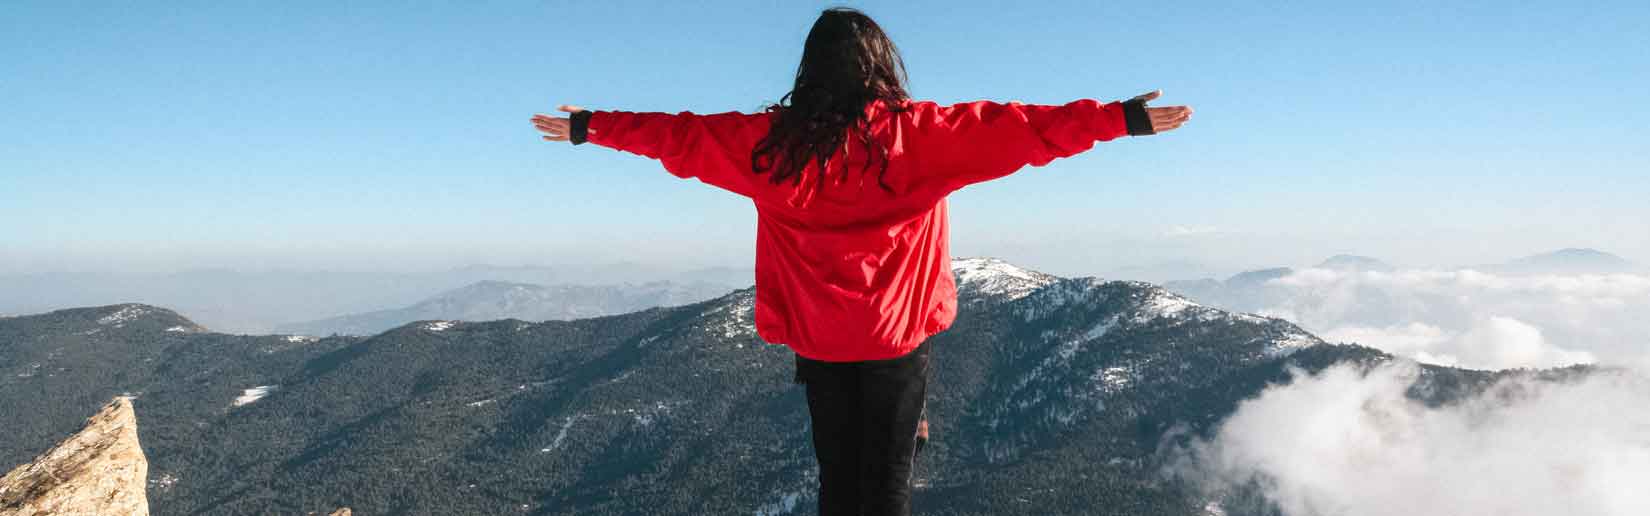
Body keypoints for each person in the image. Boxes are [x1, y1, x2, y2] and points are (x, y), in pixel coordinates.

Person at [531, 7, 1190, 516]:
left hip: (819, 339)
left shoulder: (767, 147)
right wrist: (1121, 118)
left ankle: (900, 437)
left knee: (839, 473)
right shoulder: (922, 137)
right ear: (881, 64)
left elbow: (678, 137)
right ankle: (907, 432)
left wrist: (593, 125)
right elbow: (1025, 129)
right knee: (886, 482)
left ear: (809, 70)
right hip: (895, 343)